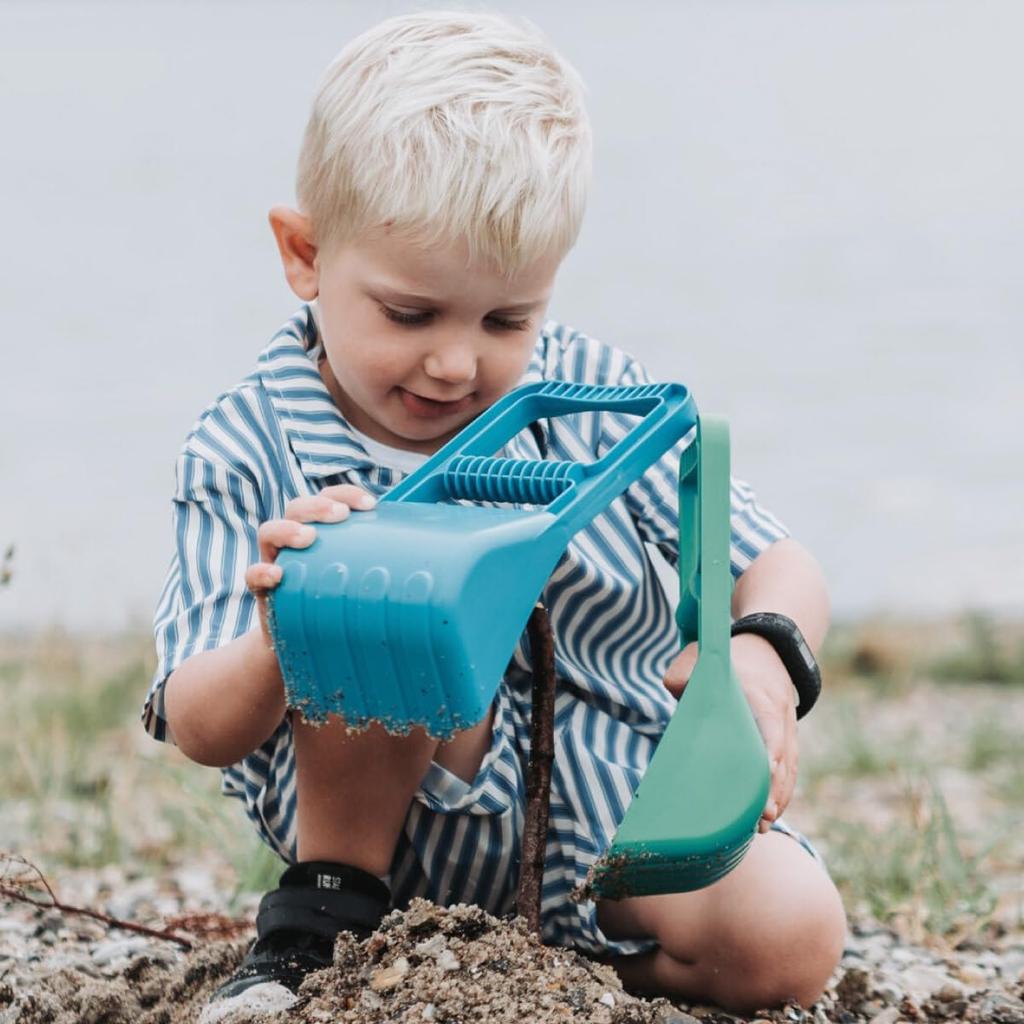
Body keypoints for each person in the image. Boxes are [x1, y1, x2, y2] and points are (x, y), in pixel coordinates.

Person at [144, 10, 846, 1017]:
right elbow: (199, 722)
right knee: (369, 570)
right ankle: (322, 931)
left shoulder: (593, 400)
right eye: (409, 313)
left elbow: (777, 562)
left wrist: (762, 656)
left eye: (506, 319)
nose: (455, 363)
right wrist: (280, 631)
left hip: (609, 813)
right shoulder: (247, 439)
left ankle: (573, 985)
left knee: (790, 936)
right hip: (373, 853)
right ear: (304, 255)